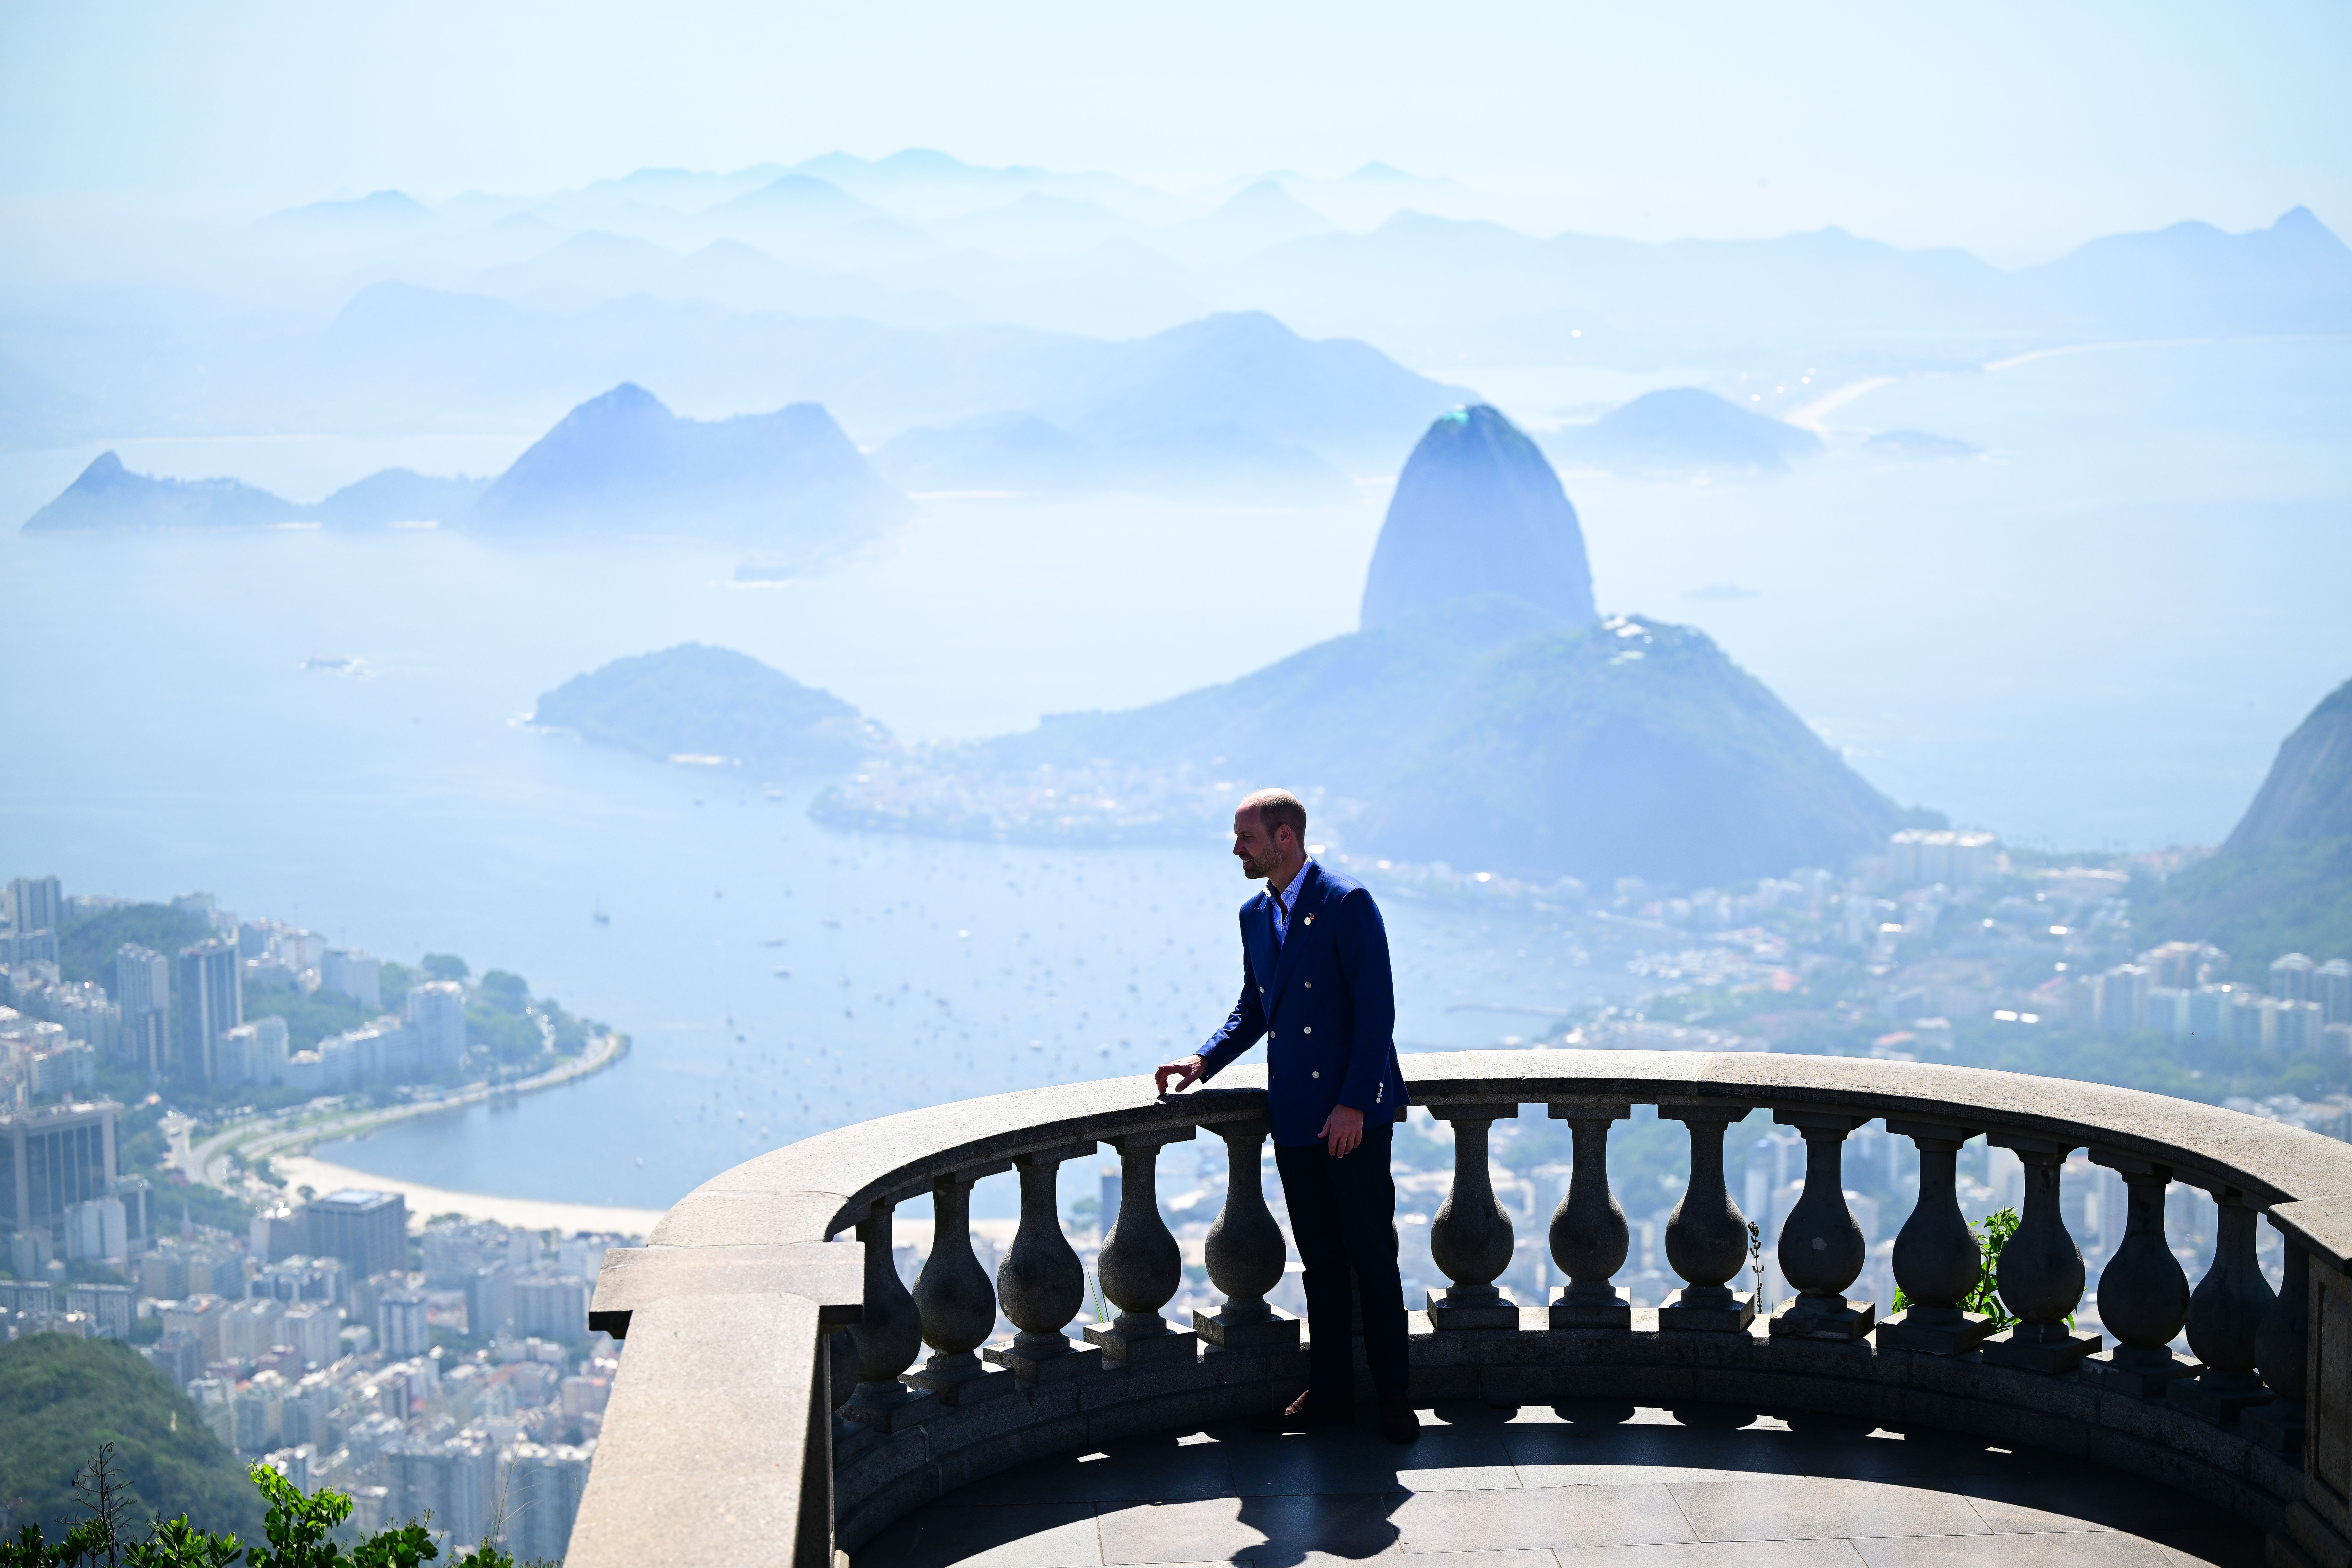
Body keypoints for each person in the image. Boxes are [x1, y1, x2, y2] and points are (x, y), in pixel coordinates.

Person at [1155, 788, 1417, 1444]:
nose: (1235, 848)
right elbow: (1255, 1006)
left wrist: (1356, 1100)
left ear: (1284, 838)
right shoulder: (1255, 912)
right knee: (1321, 1260)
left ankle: (1395, 1398)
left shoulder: (1346, 901)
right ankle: (1329, 1390)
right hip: (1298, 1114)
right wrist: (1203, 1059)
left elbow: (1376, 1009)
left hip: (1350, 1115)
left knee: (1373, 1257)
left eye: (1245, 837)